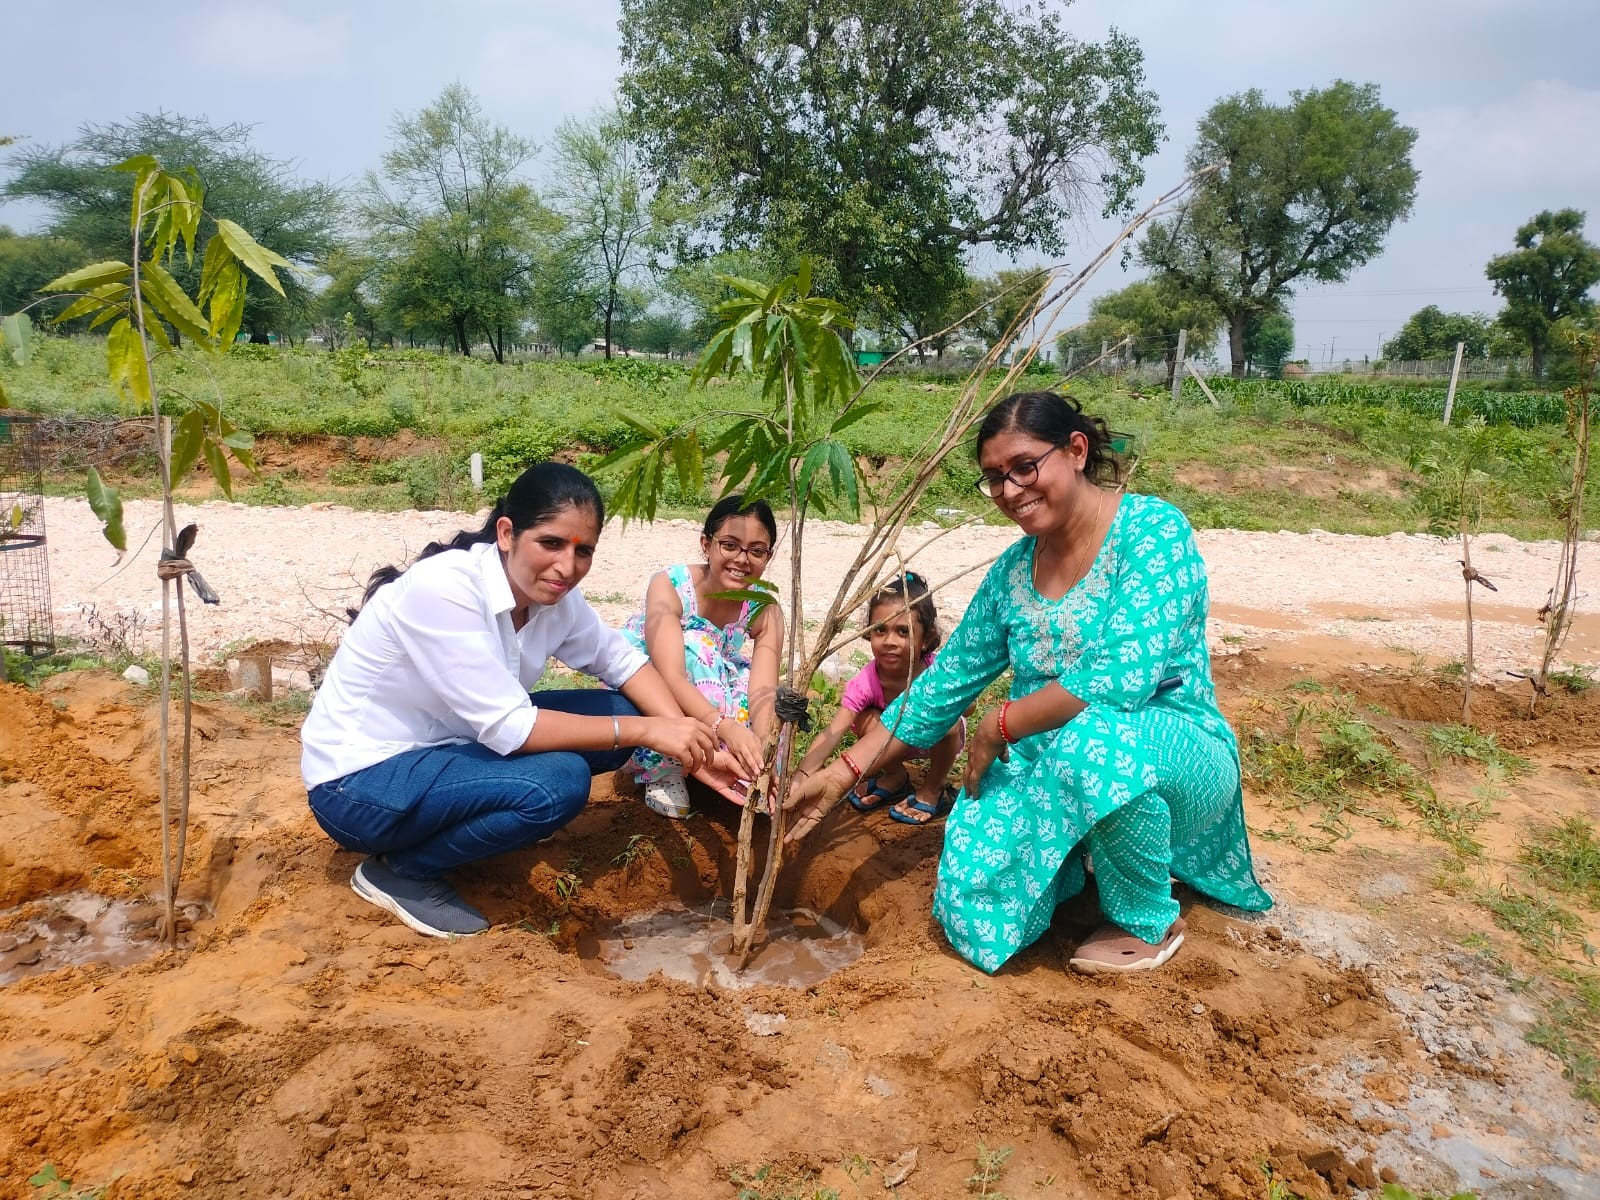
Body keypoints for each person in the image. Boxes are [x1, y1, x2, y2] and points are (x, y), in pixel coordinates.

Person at [789, 391, 1271, 975]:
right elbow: (945, 683)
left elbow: (1118, 681)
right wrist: (843, 772)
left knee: (1092, 747)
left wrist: (1000, 725)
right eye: (994, 477)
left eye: (1024, 467)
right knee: (971, 890)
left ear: (1075, 450)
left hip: (1173, 753)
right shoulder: (1014, 570)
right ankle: (1083, 865)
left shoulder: (1152, 532)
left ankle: (1147, 917)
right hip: (1051, 755)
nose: (1010, 491)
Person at [300, 462, 719, 939]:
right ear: (506, 533)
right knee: (558, 784)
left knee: (623, 711)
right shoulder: (447, 589)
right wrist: (649, 731)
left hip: (448, 747)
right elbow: (511, 728)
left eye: (583, 551)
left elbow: (620, 662)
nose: (567, 566)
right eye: (551, 543)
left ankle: (481, 816)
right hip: (361, 786)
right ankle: (402, 871)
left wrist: (687, 743)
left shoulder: (551, 599)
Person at [621, 494, 784, 818]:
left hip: (712, 681)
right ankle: (665, 769)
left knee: (760, 703)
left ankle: (740, 772)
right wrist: (727, 729)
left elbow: (761, 691)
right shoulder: (670, 584)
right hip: (659, 678)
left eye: (756, 551)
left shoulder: (766, 609)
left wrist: (763, 748)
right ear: (706, 544)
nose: (742, 559)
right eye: (730, 545)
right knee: (698, 649)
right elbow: (672, 675)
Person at [792, 573, 964, 826]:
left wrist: (952, 693)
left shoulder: (936, 671)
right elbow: (835, 730)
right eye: (880, 630)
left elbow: (967, 708)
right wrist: (802, 775)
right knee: (862, 717)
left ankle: (932, 788)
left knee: (947, 720)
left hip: (936, 741)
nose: (889, 642)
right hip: (888, 743)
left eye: (903, 632)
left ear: (926, 638)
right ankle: (895, 776)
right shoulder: (867, 681)